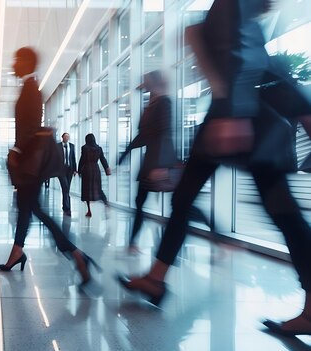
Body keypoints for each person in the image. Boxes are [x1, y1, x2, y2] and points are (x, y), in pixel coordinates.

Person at [118, 0, 311, 337]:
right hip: (240, 110)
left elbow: (244, 52)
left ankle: (157, 279)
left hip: (238, 114)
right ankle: (156, 278)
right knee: (190, 198)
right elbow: (249, 53)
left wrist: (233, 113)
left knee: (282, 212)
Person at [0, 47, 97, 288]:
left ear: (27, 62)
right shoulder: (30, 87)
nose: (14, 63)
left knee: (36, 210)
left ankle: (76, 254)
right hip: (30, 163)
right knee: (26, 208)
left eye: (17, 59)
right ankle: (17, 252)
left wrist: (17, 152)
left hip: (30, 163)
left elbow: (30, 128)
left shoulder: (31, 89)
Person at [118, 71, 176, 252]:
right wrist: (125, 154)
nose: (144, 86)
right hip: (151, 161)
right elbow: (143, 136)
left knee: (181, 202)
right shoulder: (153, 104)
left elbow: (163, 134)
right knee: (140, 201)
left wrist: (160, 165)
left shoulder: (163, 102)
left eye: (146, 83)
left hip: (159, 161)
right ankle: (132, 243)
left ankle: (219, 235)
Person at [78, 133, 111, 218]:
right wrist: (107, 168)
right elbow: (103, 159)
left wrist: (79, 170)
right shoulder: (99, 148)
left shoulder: (84, 148)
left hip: (87, 170)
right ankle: (106, 203)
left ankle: (89, 211)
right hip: (96, 170)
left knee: (86, 190)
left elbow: (82, 159)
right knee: (98, 188)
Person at [58, 133, 77, 216]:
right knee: (65, 187)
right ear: (62, 137)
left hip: (70, 170)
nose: (67, 138)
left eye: (68, 137)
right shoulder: (58, 146)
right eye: (65, 136)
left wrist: (75, 170)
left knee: (66, 189)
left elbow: (73, 158)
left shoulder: (72, 146)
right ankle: (67, 208)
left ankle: (65, 207)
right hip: (61, 170)